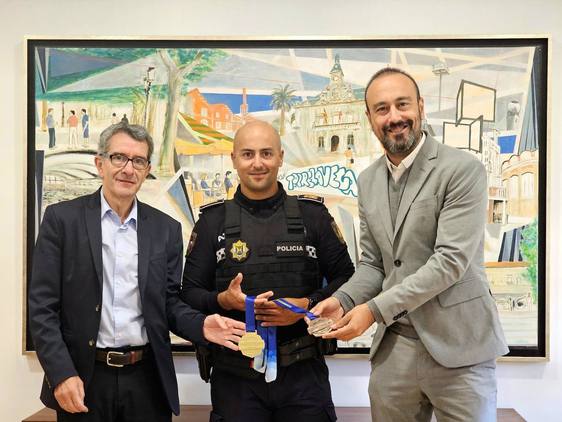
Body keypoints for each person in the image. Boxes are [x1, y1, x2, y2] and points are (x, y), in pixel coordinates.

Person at [313, 68, 509, 421]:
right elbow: (374, 264)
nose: (394, 117)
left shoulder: (462, 170)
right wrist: (342, 300)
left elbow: (449, 262)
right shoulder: (368, 180)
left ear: (420, 106)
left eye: (402, 104)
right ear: (370, 118)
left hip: (461, 348)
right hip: (395, 350)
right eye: (382, 109)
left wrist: (372, 311)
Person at [28, 122, 245, 422]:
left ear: (147, 169)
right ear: (100, 163)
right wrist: (61, 373)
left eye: (138, 161)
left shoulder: (166, 230)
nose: (128, 169)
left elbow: (169, 304)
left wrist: (202, 325)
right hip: (83, 378)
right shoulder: (62, 220)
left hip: (147, 381)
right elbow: (42, 308)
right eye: (119, 157)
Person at [181, 120, 355, 421]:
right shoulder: (211, 223)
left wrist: (308, 306)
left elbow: (348, 279)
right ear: (234, 159)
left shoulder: (313, 216)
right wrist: (224, 301)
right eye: (248, 154)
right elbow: (188, 295)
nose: (258, 163)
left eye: (266, 153)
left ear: (281, 156)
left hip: (304, 377)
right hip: (235, 378)